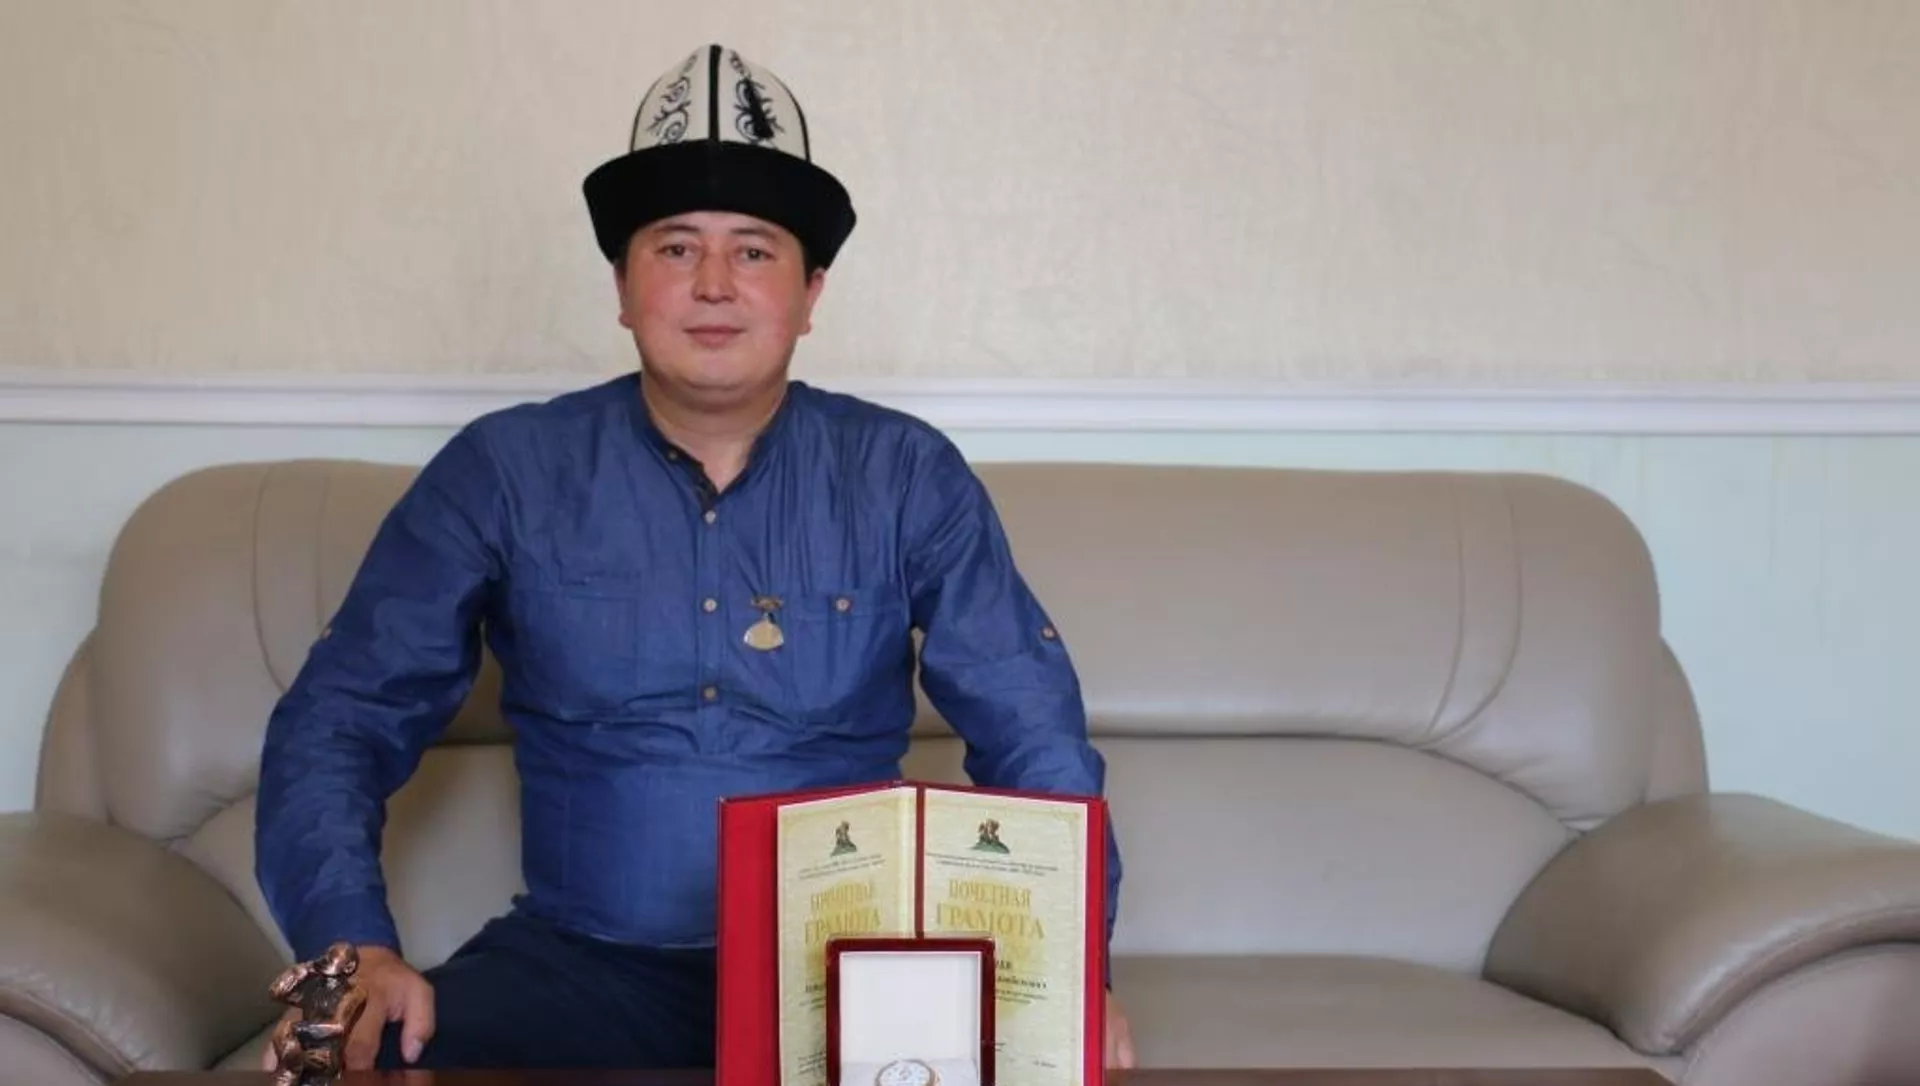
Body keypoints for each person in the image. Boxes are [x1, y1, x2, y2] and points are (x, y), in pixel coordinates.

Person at [254, 43, 1133, 1072]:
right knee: (350, 1064)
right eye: (675, 249)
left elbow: (1033, 737)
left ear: (810, 293)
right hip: (580, 965)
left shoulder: (907, 475)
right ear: (623, 288)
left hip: (849, 968)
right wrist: (352, 944)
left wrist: (1075, 974)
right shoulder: (502, 470)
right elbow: (342, 715)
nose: (714, 285)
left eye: (754, 252)